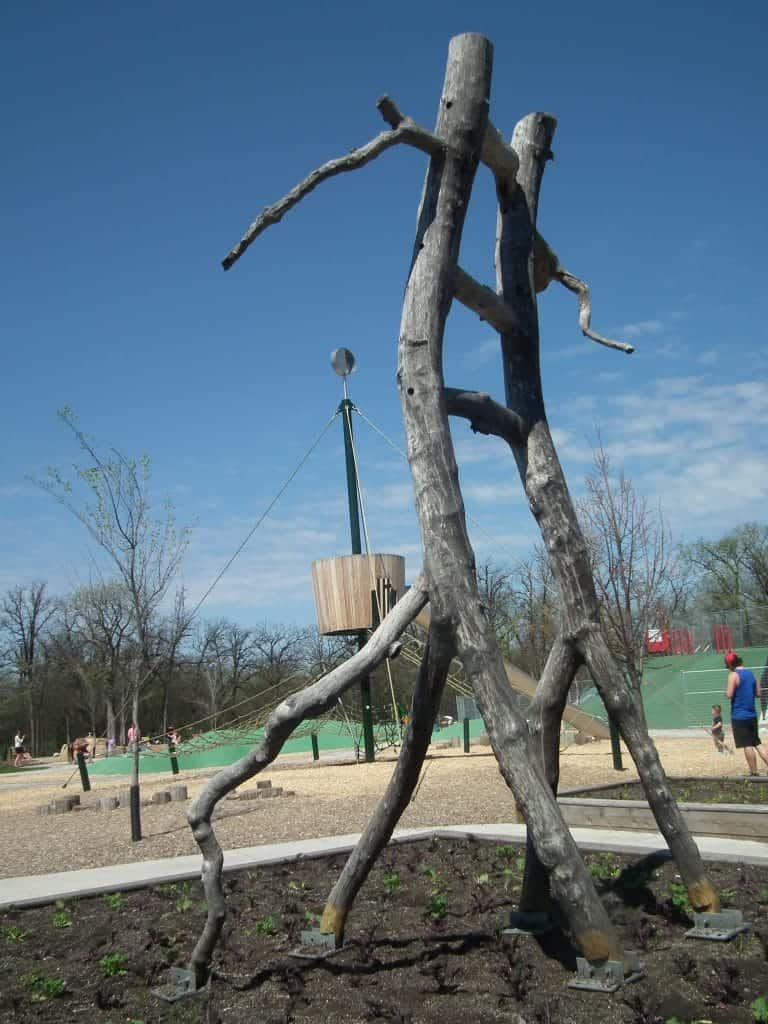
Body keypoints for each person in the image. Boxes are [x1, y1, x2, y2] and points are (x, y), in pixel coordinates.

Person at [725, 650, 768, 776]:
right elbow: (759, 694)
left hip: (739, 716)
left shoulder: (733, 675)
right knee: (757, 743)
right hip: (752, 715)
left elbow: (729, 694)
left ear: (731, 665)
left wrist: (727, 692)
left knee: (747, 744)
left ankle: (754, 772)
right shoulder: (751, 674)